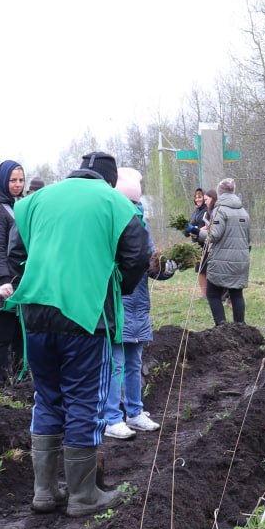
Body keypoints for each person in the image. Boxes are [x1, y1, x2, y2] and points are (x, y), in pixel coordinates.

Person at [1, 151, 151, 517]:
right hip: (86, 318)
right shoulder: (114, 202)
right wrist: (118, 288)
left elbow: (15, 253)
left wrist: (29, 284)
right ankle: (83, 496)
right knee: (84, 400)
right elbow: (138, 255)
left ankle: (45, 492)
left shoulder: (36, 199)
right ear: (110, 181)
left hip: (35, 314)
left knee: (47, 398)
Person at [103, 167, 177, 439]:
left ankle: (134, 412)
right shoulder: (110, 221)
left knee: (134, 362)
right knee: (116, 363)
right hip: (118, 298)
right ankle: (111, 418)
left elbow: (150, 257)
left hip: (139, 300)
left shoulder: (141, 221)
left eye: (136, 202)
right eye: (130, 201)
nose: (133, 206)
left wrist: (162, 267)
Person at [0, 160, 27, 385]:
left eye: (20, 180)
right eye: (12, 180)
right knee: (3, 335)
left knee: (21, 332)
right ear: (3, 180)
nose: (17, 184)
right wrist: (3, 280)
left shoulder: (16, 204)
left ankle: (20, 376)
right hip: (4, 284)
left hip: (20, 281)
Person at [204, 177, 251, 326]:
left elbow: (214, 235)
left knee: (212, 294)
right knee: (236, 293)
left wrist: (196, 233)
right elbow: (248, 239)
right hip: (241, 260)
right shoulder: (243, 212)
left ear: (219, 193)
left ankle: (222, 327)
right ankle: (240, 328)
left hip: (221, 262)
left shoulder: (220, 210)